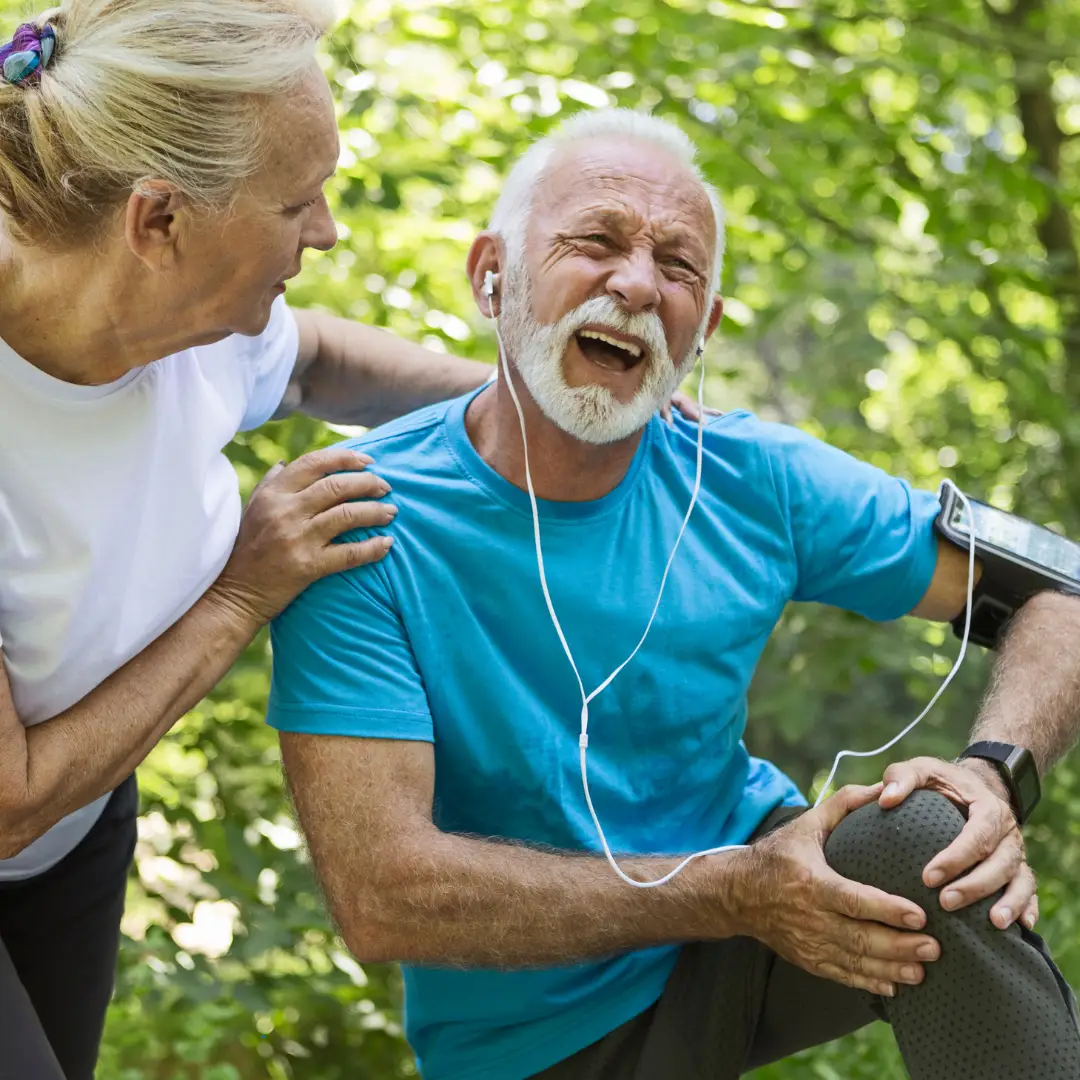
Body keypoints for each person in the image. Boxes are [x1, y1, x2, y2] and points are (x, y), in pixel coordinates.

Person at [268, 107, 1080, 1080]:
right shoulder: (359, 520)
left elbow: (1059, 594)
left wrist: (996, 773)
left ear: (706, 330)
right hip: (533, 1029)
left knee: (927, 841)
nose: (639, 284)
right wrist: (731, 890)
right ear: (492, 275)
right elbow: (384, 896)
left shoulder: (749, 475)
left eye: (680, 267)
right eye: (595, 241)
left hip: (759, 914)